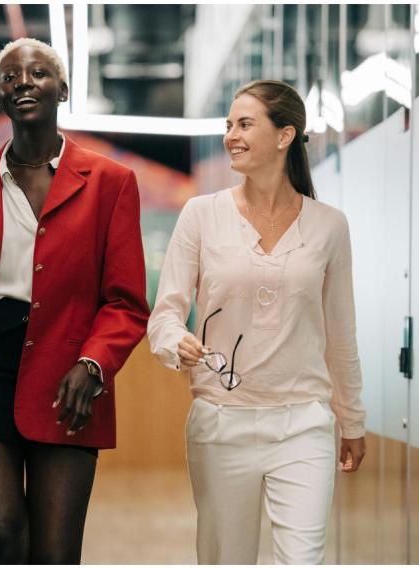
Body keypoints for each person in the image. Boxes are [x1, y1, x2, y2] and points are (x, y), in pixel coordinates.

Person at [0, 37, 149, 564]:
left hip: (70, 376)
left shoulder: (111, 183)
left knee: (54, 551)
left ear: (63, 89)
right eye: (10, 77)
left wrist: (93, 365)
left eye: (38, 73)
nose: (23, 81)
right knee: (1, 532)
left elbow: (126, 301)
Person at [147, 79, 366, 564]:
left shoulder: (330, 226)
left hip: (304, 425)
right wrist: (174, 341)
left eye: (245, 124)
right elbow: (165, 315)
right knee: (228, 559)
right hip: (221, 425)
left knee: (303, 560)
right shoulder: (201, 215)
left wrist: (351, 419)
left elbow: (340, 333)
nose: (231, 136)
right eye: (228, 126)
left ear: (285, 136)